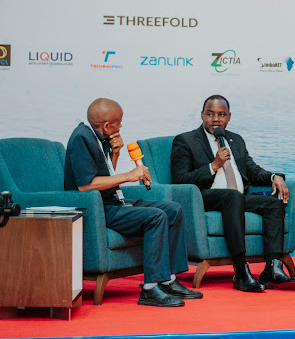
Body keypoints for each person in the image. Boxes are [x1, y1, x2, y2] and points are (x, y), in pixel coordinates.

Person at [64, 98, 203, 307]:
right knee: (156, 216)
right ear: (107, 125)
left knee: (173, 210)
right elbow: (86, 185)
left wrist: (116, 153)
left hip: (113, 201)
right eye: (118, 122)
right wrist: (129, 175)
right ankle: (150, 289)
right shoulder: (81, 138)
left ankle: (168, 280)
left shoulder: (99, 136)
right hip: (98, 208)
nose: (121, 126)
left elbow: (107, 175)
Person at [170, 94, 295, 292]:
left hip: (236, 199)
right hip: (204, 198)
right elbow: (179, 179)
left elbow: (252, 170)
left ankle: (273, 268)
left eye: (221, 114)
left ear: (229, 117)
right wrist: (213, 166)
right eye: (210, 114)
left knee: (273, 203)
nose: (216, 119)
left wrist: (273, 176)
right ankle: (241, 270)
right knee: (232, 196)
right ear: (201, 115)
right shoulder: (186, 141)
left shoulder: (235, 140)